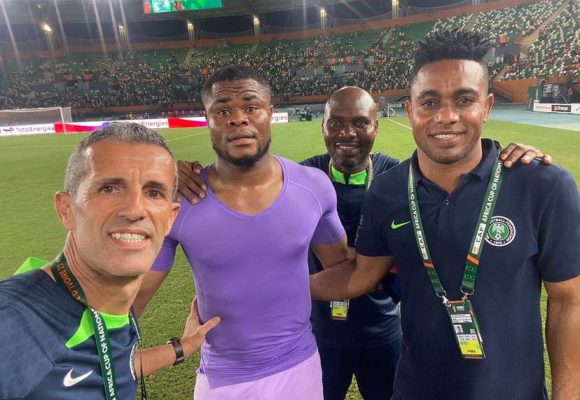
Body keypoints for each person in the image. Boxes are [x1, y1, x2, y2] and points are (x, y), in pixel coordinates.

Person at [176, 83, 550, 400]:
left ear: (376, 125)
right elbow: (246, 188)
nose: (347, 133)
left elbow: (458, 176)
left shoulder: (401, 180)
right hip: (317, 336)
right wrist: (176, 174)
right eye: (336, 122)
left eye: (359, 122)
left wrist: (509, 160)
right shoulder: (301, 180)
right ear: (323, 126)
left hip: (384, 333)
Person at [310, 30, 580, 400]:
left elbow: (568, 301)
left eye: (464, 100)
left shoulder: (543, 185)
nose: (446, 117)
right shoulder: (387, 192)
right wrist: (273, 289)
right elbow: (361, 275)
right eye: (430, 102)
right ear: (410, 111)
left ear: (486, 106)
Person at [133, 66, 352, 400]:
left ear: (270, 113)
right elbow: (132, 301)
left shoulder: (312, 186)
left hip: (299, 368)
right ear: (207, 120)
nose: (238, 119)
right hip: (222, 379)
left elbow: (341, 266)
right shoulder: (180, 202)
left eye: (251, 107)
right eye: (223, 111)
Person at [0, 123, 220, 399]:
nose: (134, 209)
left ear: (170, 218)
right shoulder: (14, 324)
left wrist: (182, 347)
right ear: (66, 209)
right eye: (109, 189)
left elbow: (105, 365)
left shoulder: (101, 304)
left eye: (154, 193)